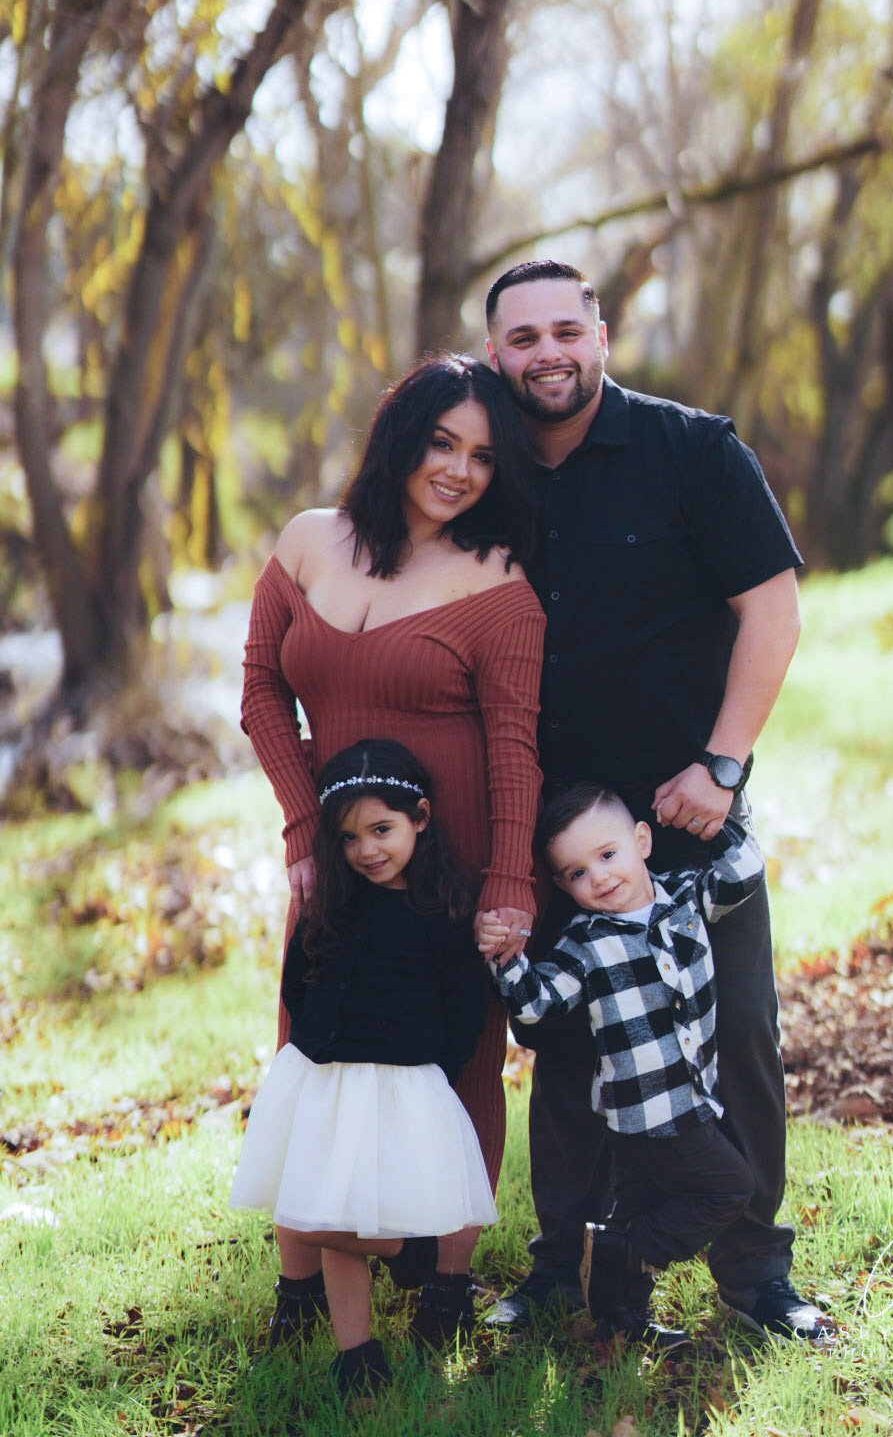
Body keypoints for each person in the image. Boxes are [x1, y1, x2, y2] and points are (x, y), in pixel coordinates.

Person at [482, 261, 830, 1341]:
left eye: (565, 330)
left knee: (739, 1042)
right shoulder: (487, 473)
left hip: (689, 828)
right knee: (570, 1055)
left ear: (602, 336)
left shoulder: (695, 451)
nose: (547, 353)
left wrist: (722, 767)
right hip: (558, 843)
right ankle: (564, 1268)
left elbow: (773, 610)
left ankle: (756, 1274)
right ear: (496, 356)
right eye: (523, 338)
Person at [240, 353, 545, 1345]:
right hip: (339, 858)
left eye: (483, 457)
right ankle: (301, 1284)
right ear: (400, 437)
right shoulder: (308, 541)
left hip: (449, 865)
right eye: (443, 443)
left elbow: (515, 746)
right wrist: (303, 826)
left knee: (456, 1060)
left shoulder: (499, 582)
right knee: (313, 1050)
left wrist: (507, 883)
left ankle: (445, 1281)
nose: (459, 470)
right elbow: (260, 692)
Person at [230, 739, 497, 1398]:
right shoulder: (333, 903)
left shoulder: (440, 909)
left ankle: (408, 1249)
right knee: (316, 1215)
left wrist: (432, 1070)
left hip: (404, 1082)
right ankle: (358, 1354)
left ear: (420, 819)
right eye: (349, 838)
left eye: (382, 830)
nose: (367, 850)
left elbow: (465, 1005)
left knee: (336, 1220)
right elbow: (297, 982)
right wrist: (316, 1046)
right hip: (325, 1080)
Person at [479, 782, 766, 1345]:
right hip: (649, 1113)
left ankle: (621, 1319)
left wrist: (716, 818)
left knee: (639, 1205)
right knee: (731, 1188)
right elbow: (535, 1005)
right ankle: (627, 1252)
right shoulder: (585, 943)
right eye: (577, 873)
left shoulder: (684, 898)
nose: (600, 877)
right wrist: (503, 955)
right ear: (563, 884)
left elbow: (744, 872)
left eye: (608, 854)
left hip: (688, 1099)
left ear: (642, 841)